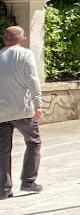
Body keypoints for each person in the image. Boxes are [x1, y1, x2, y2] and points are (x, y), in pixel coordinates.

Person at [0, 25, 42, 197]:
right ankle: (28, 181)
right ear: (22, 40)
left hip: (1, 112)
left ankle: (3, 188)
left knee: (3, 149)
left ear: (5, 40)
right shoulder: (26, 54)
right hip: (23, 110)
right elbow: (32, 79)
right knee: (33, 142)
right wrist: (37, 104)